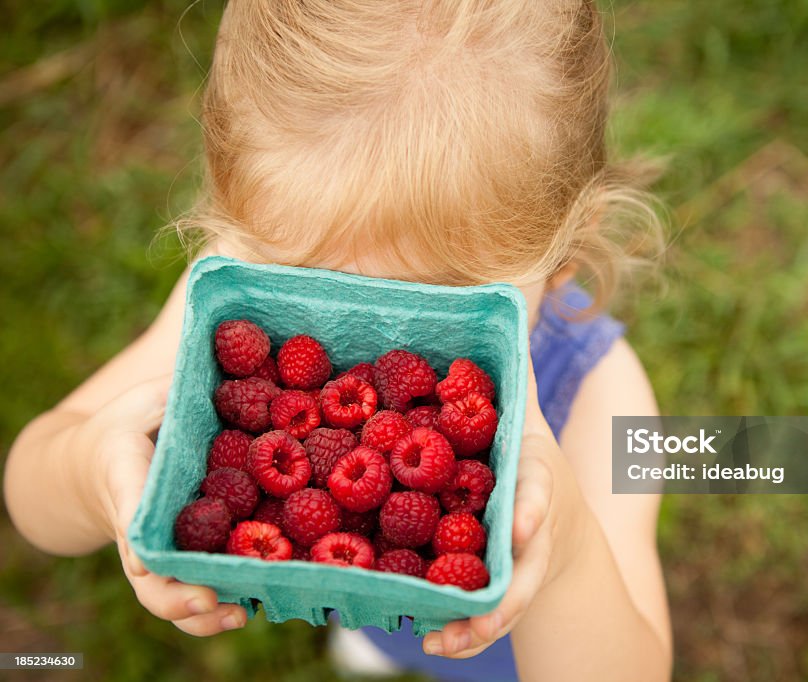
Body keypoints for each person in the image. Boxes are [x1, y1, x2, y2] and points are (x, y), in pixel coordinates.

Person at [4, 1, 671, 680]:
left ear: (568, 253)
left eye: (438, 303)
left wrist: (568, 555)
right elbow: (29, 494)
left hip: (518, 656)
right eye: (297, 281)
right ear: (233, 227)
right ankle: (377, 641)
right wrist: (94, 468)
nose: (372, 350)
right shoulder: (224, 322)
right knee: (379, 641)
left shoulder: (603, 396)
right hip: (356, 578)